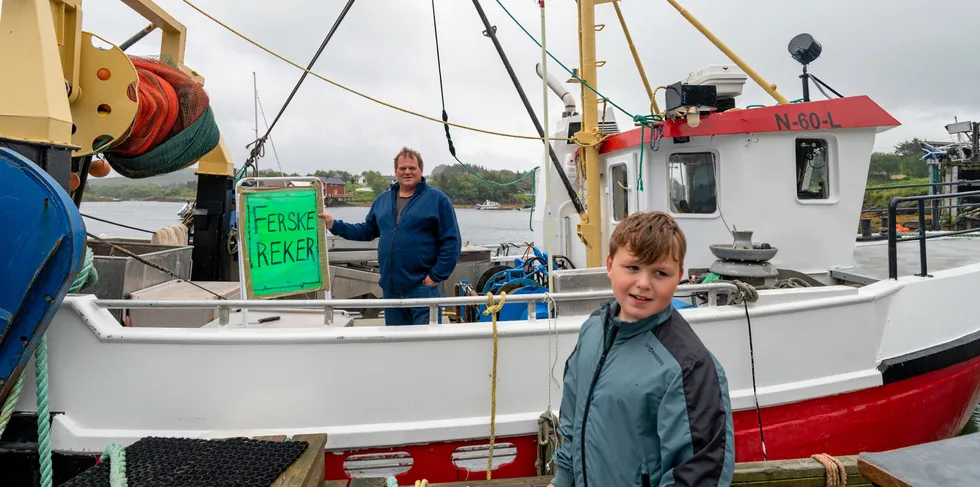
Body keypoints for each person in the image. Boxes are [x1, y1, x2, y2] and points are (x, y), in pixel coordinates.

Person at [549, 211, 734, 487]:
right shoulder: (592, 331)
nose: (644, 283)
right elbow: (574, 418)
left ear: (679, 276)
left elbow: (699, 472)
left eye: (660, 272)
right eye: (633, 268)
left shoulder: (688, 366)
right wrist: (562, 479)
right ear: (610, 265)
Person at [319, 147, 461, 325]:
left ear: (421, 171)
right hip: (391, 289)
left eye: (412, 168)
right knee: (397, 347)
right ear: (396, 172)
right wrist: (334, 225)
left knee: (426, 347)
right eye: (402, 168)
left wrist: (434, 277)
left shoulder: (438, 200)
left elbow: (451, 242)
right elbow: (367, 230)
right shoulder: (383, 200)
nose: (407, 172)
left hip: (422, 288)